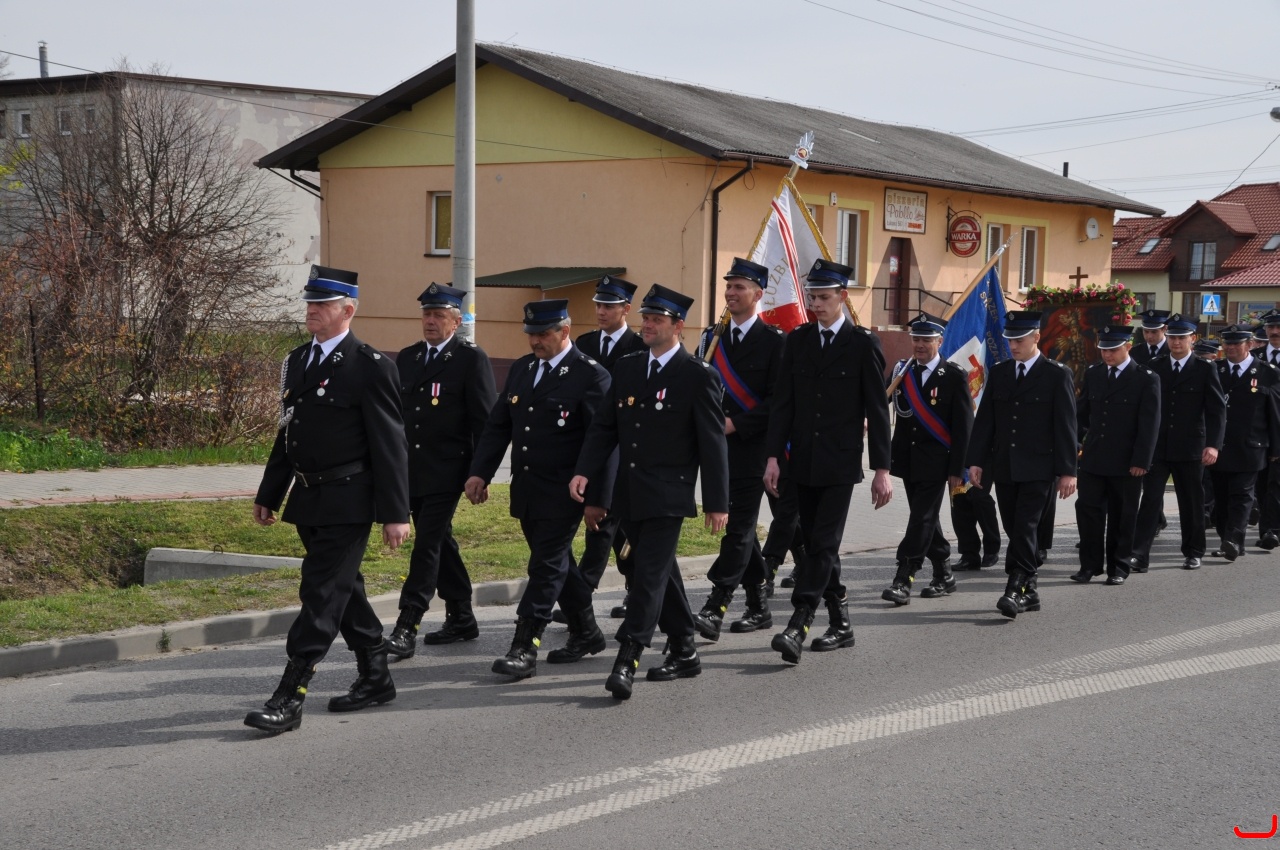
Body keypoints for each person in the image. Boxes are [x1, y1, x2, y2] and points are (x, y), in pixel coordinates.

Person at [245, 265, 411, 734]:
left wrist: (395, 513)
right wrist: (270, 491)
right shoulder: (299, 360)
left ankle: (290, 696)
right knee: (344, 589)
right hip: (308, 497)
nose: (312, 311)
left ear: (348, 310)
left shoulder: (370, 366)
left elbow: (390, 445)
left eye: (322, 304)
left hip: (349, 498)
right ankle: (376, 676)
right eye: (310, 303)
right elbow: (288, 432)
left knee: (320, 593)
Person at [570, 284, 729, 700]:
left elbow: (713, 444)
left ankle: (628, 657)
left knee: (647, 576)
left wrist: (717, 503)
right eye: (646, 318)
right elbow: (604, 428)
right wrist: (585, 472)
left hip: (669, 496)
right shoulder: (628, 367)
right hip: (630, 493)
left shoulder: (697, 375)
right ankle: (685, 649)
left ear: (678, 326)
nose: (648, 325)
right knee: (661, 573)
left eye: (657, 319)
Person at [465, 299, 611, 680]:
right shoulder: (522, 369)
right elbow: (499, 426)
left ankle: (524, 647)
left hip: (567, 492)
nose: (534, 341)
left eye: (543, 334)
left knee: (545, 566)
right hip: (528, 489)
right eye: (530, 334)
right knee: (559, 564)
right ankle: (586, 631)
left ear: (565, 331)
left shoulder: (590, 375)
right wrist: (480, 472)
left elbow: (603, 441)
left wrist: (598, 499)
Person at [764, 259, 892, 663]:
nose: (815, 304)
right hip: (801, 460)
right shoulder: (798, 340)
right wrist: (773, 456)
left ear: (842, 297)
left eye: (823, 297)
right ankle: (841, 621)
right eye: (812, 297)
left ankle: (799, 622)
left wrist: (882, 470)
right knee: (819, 545)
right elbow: (783, 404)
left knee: (823, 542)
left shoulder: (862, 344)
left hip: (839, 463)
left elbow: (878, 410)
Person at [384, 284, 497, 659]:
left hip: (449, 471)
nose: (430, 321)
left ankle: (407, 624)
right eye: (427, 315)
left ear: (456, 321)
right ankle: (462, 616)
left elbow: (485, 422)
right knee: (441, 542)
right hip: (413, 470)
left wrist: (481, 473)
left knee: (427, 544)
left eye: (438, 315)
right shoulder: (409, 357)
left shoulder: (470, 359)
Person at [691, 257, 784, 639]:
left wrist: (736, 424)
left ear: (757, 294)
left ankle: (716, 604)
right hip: (716, 450)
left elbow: (779, 401)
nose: (730, 293)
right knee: (743, 532)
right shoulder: (711, 338)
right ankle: (759, 605)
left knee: (739, 527)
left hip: (752, 449)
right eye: (728, 286)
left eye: (739, 287)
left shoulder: (775, 342)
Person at [967, 311, 1077, 618]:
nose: (1013, 346)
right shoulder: (1000, 372)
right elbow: (986, 420)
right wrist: (976, 461)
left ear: (1036, 337)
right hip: (1005, 465)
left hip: (1039, 467)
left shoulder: (1056, 374)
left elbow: (1066, 425)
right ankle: (1031, 591)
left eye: (1019, 340)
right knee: (1013, 527)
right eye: (1010, 340)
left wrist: (1068, 471)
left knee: (1026, 526)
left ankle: (1015, 587)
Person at [881, 313, 974, 604]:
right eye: (916, 339)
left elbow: (963, 427)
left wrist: (958, 468)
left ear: (940, 341)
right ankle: (944, 574)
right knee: (926, 519)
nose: (920, 345)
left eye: (926, 340)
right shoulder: (902, 370)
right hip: (907, 459)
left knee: (921, 518)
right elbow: (881, 400)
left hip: (938, 461)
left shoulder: (954, 375)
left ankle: (904, 577)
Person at [569, 275, 646, 622]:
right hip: (593, 441)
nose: (601, 311)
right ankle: (636, 588)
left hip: (626, 446)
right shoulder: (585, 343)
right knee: (620, 531)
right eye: (598, 305)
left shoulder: (639, 345)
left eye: (609, 306)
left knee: (604, 521)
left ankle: (582, 595)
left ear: (626, 309)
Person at [1131, 314, 1225, 571]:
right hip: (1158, 447)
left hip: (1190, 447)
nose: (1176, 342)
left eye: (1182, 338)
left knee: (1191, 502)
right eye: (1172, 337)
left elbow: (1216, 410)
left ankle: (1193, 551)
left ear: (1192, 339)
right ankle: (1139, 554)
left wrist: (1213, 445)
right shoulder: (1156, 365)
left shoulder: (1205, 368)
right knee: (1150, 500)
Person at [1070, 326, 1160, 586]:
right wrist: (1075, 442)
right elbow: (1081, 414)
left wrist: (1141, 461)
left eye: (1113, 350)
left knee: (1123, 515)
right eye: (1103, 350)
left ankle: (1118, 566)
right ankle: (1089, 565)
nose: (1107, 355)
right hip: (1094, 458)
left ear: (1128, 347)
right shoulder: (1095, 373)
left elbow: (1149, 424)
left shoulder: (1145, 378)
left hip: (1126, 461)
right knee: (1088, 511)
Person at [1209, 325, 1280, 561]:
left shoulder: (1268, 373)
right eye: (1227, 343)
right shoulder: (1215, 370)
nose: (1230, 348)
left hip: (1252, 446)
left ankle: (1233, 539)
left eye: (1236, 343)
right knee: (1221, 497)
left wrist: (1276, 448)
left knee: (1242, 495)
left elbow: (1274, 414)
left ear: (1249, 345)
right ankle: (1227, 540)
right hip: (1220, 446)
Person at [1251, 311, 1280, 549]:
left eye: (1279, 328)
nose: (1275, 332)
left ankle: (1272, 529)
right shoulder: (1254, 358)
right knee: (1262, 482)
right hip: (1260, 431)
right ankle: (1268, 529)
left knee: (1277, 483)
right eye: (1271, 327)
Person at [950, 482, 1001, 571]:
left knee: (979, 495)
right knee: (958, 498)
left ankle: (992, 547)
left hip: (984, 472)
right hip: (960, 473)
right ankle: (969, 555)